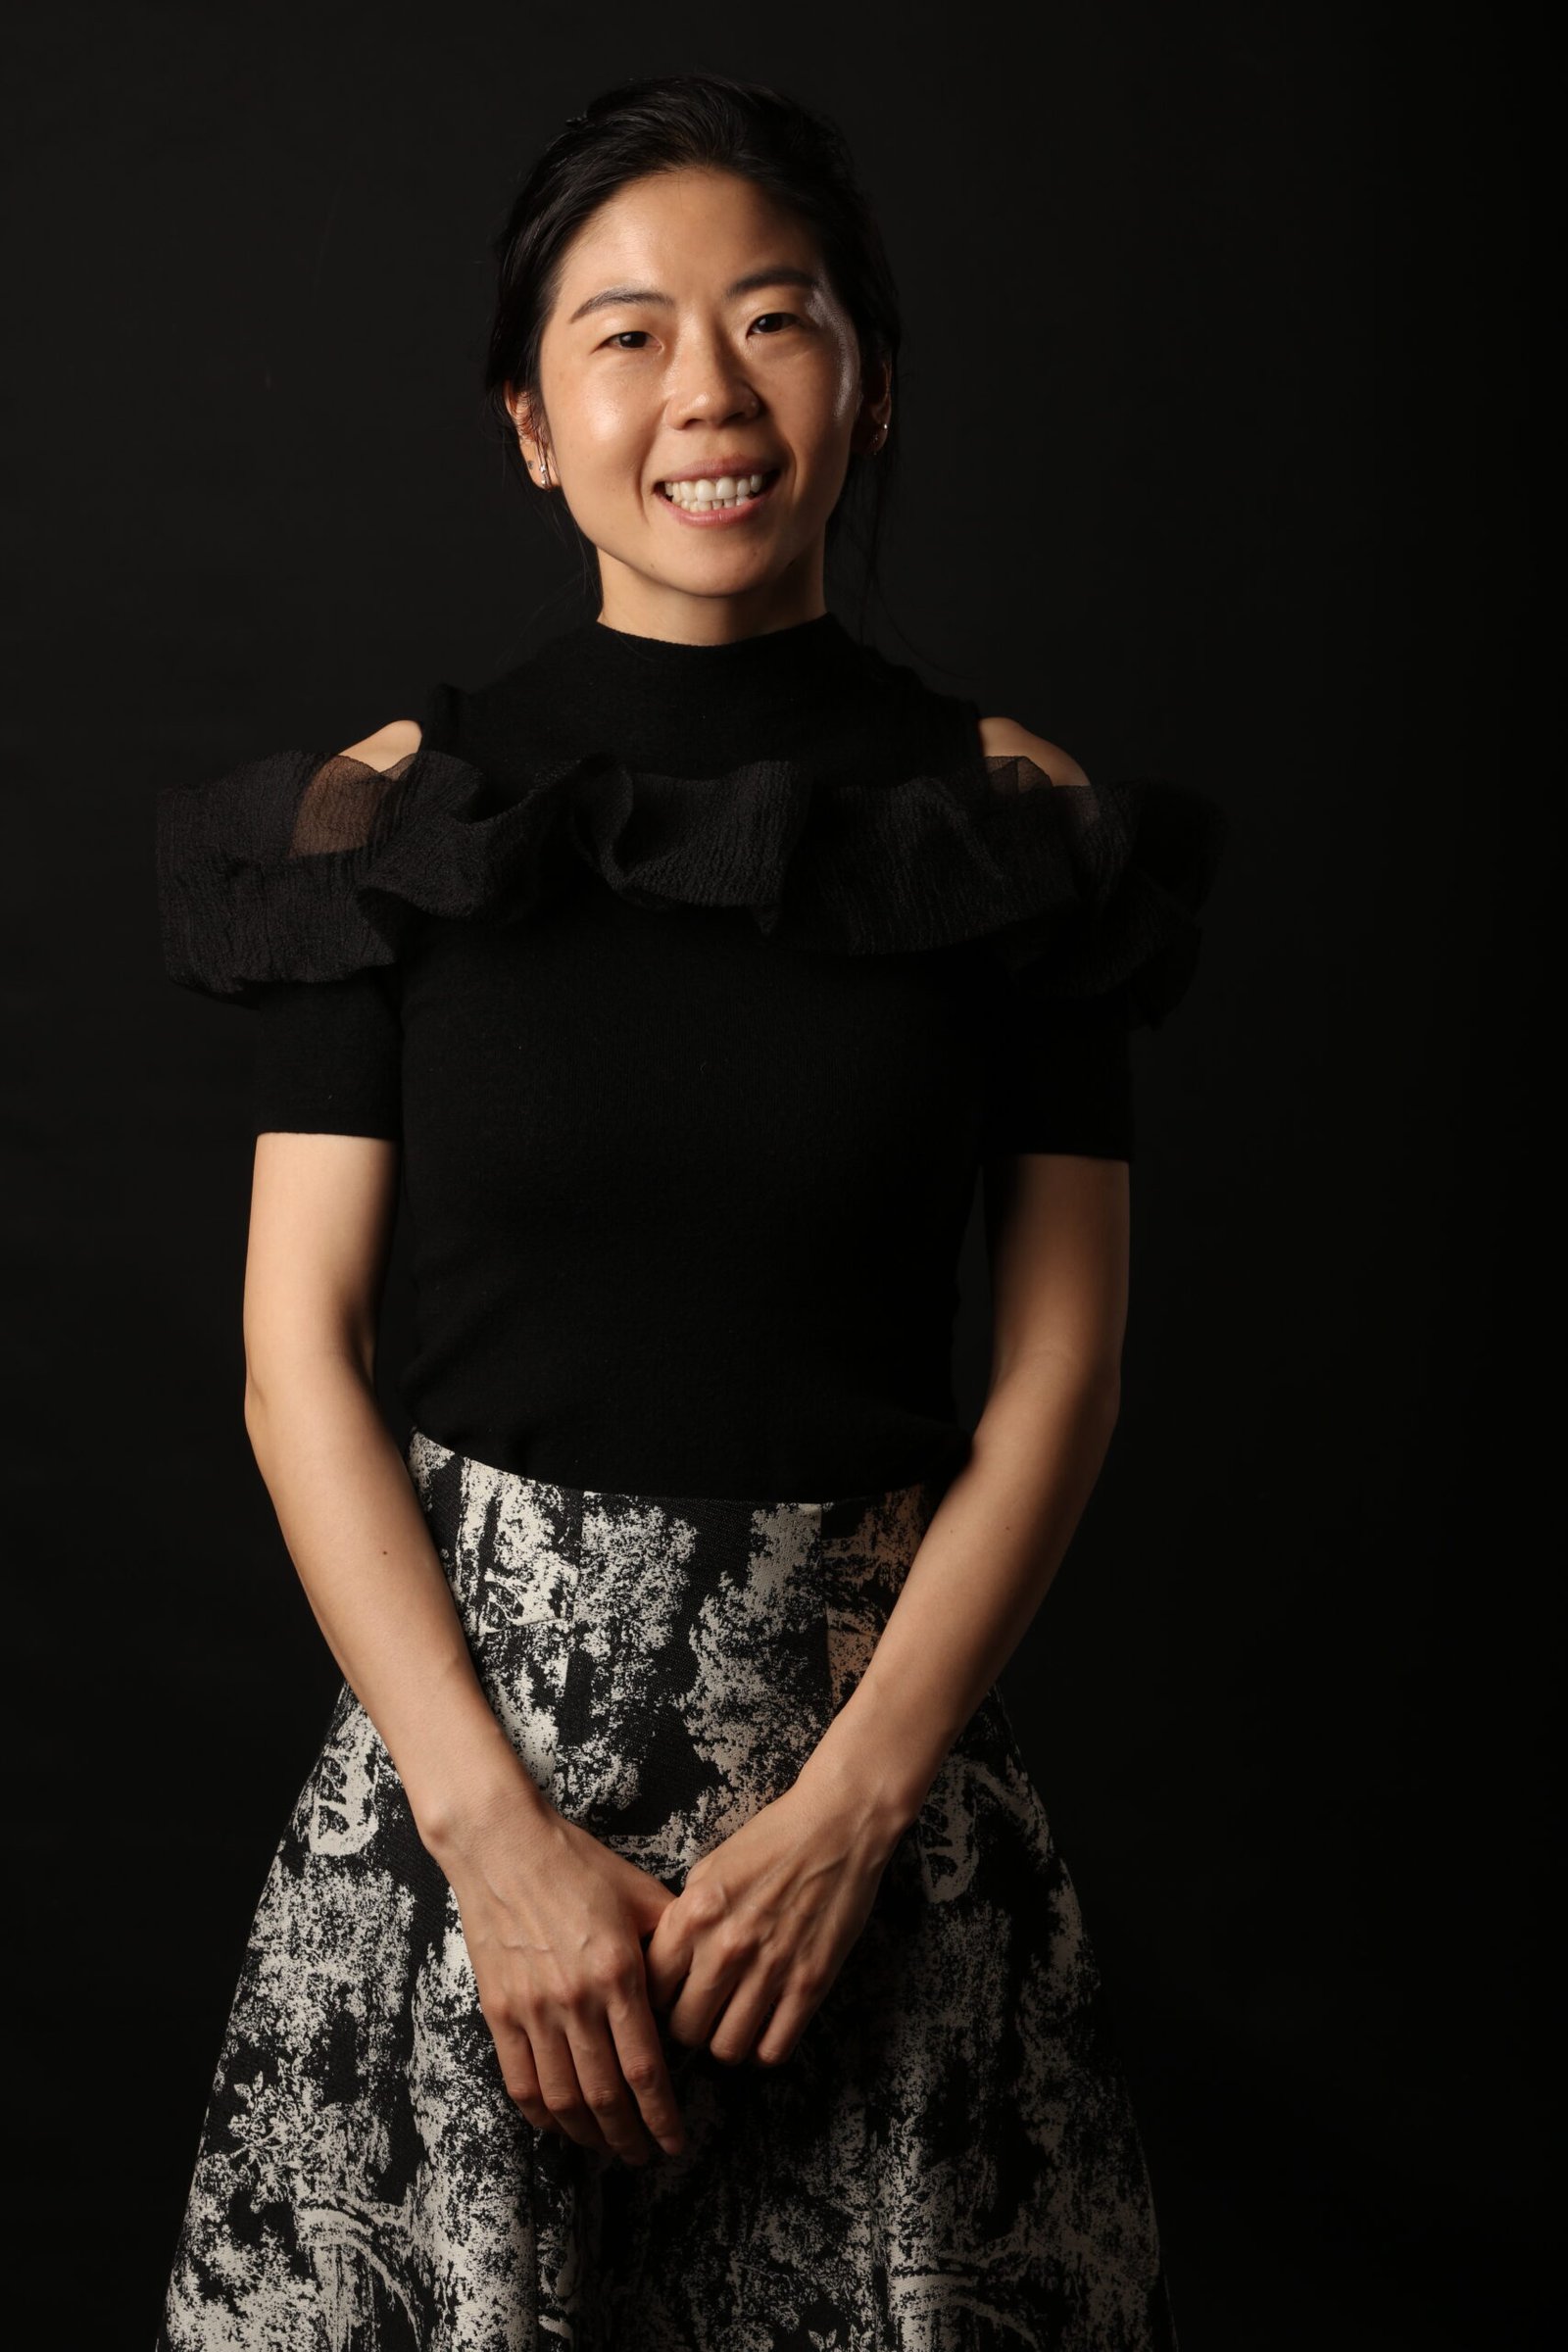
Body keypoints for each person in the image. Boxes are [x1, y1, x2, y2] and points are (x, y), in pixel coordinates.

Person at [153, 70, 1225, 2352]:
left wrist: (848, 1820)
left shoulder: (1003, 819)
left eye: (774, 317)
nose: (707, 391)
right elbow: (292, 1357)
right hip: (465, 1836)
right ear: (529, 426)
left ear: (870, 383)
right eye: (625, 334)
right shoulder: (392, 817)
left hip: (871, 1840)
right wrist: (491, 1839)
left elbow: (1059, 1371)